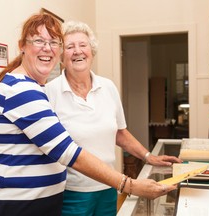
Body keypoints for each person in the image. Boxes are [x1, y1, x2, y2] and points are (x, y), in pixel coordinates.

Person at [0, 13, 177, 216]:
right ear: (23, 46)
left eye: (53, 42)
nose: (47, 48)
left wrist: (147, 157)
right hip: (34, 200)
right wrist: (130, 185)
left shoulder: (33, 88)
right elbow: (67, 152)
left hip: (40, 199)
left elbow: (17, 150)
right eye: (39, 41)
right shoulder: (30, 90)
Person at [44, 20, 182, 216]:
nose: (77, 51)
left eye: (83, 45)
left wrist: (148, 156)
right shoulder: (50, 93)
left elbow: (120, 133)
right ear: (61, 56)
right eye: (69, 46)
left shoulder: (107, 87)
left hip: (108, 186)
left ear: (91, 51)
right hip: (71, 192)